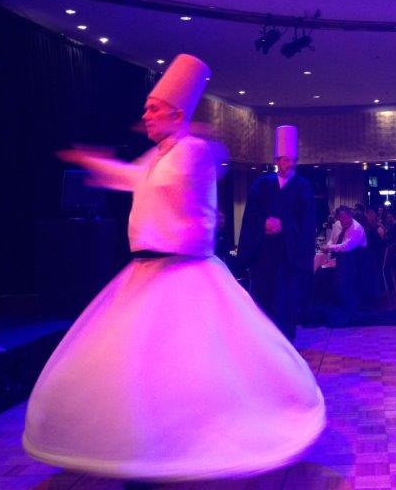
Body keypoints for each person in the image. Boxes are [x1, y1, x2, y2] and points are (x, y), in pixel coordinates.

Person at [23, 55, 325, 481]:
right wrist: (91, 162)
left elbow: (204, 177)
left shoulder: (194, 152)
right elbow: (129, 177)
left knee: (194, 364)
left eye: (153, 107)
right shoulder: (156, 157)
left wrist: (200, 143)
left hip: (183, 273)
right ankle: (148, 444)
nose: (144, 114)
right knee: (141, 366)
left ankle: (201, 442)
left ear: (176, 114)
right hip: (145, 272)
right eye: (145, 107)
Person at [237, 125, 316, 342]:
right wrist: (263, 223)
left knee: (285, 301)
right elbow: (251, 215)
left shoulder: (302, 186)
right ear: (277, 161)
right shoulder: (262, 184)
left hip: (287, 257)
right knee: (263, 298)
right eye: (285, 159)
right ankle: (263, 343)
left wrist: (285, 226)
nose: (290, 164)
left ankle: (285, 343)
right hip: (264, 255)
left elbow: (307, 221)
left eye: (293, 160)